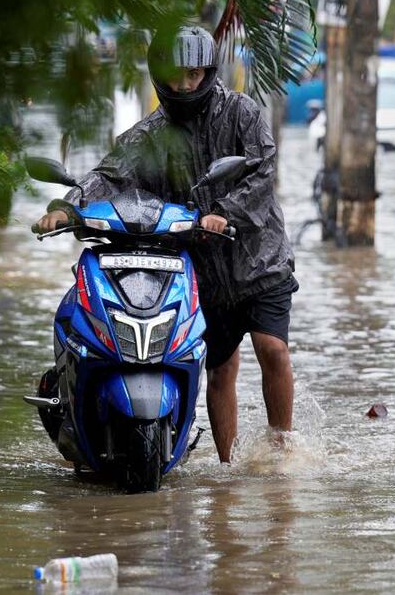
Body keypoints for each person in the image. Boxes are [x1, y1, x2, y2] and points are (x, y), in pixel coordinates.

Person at [36, 25, 297, 463]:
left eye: (195, 74)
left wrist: (224, 213)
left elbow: (262, 173)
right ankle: (227, 467)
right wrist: (69, 205)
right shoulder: (149, 135)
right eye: (178, 76)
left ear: (208, 71)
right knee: (219, 367)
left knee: (272, 348)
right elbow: (110, 175)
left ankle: (284, 452)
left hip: (259, 261)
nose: (187, 85)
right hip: (200, 268)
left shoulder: (243, 113)